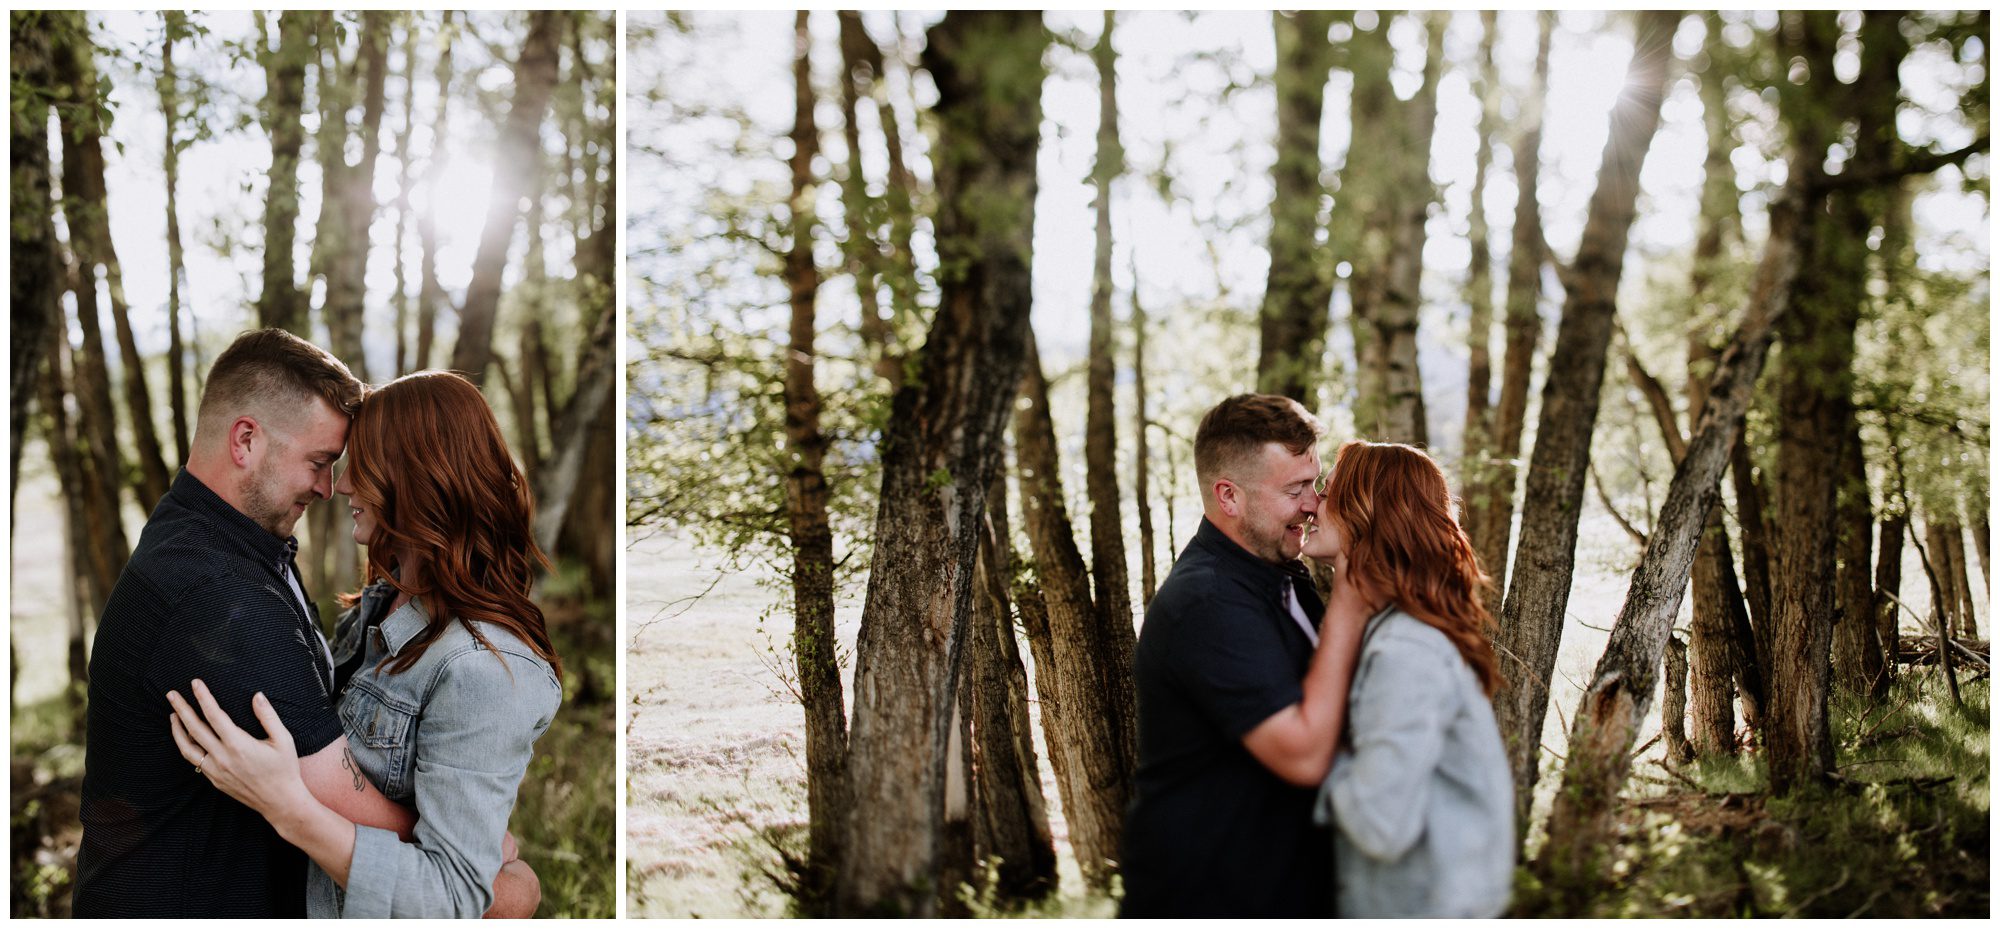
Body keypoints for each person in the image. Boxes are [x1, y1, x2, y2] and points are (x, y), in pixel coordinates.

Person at [167, 370, 564, 918]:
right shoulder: (378, 611)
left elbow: (451, 899)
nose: (344, 484)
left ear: (420, 476)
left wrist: (288, 806)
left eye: (364, 464)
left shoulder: (483, 668)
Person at [74, 328, 374, 916]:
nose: (327, 488)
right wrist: (475, 851)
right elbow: (351, 805)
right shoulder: (214, 589)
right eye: (319, 462)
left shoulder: (224, 539)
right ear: (245, 440)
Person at [1121, 393, 1362, 917]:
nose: (1313, 504)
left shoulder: (1283, 574)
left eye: (1314, 483)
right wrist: (1351, 593)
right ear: (1228, 496)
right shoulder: (1206, 600)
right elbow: (1303, 756)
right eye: (1294, 490)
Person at [1301, 440, 1514, 917]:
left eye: (1327, 491)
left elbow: (1379, 825)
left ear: (1366, 509)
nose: (1311, 503)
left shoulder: (1405, 649)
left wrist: (1305, 755)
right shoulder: (1388, 631)